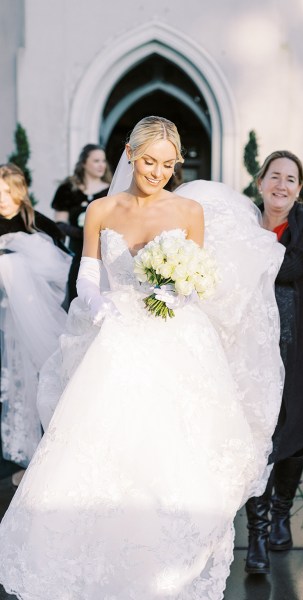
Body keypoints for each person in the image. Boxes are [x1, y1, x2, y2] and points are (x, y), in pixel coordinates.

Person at [0, 117, 285, 599]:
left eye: (167, 165)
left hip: (177, 341)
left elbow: (198, 278)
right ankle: (106, 566)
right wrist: (96, 302)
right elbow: (87, 274)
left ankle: (167, 569)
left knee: (171, 455)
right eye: (149, 161)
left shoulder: (190, 210)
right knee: (104, 456)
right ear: (129, 153)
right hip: (114, 336)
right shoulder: (101, 209)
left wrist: (177, 294)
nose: (156, 172)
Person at [245, 150, 303, 574]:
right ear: (260, 181)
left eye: (291, 179)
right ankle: (258, 536)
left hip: (298, 343)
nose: (282, 185)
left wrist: (249, 259)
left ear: (299, 189)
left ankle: (281, 513)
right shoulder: (242, 221)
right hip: (250, 346)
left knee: (293, 431)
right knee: (253, 437)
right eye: (275, 176)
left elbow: (301, 263)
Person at [0, 164, 71, 486]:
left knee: (42, 380)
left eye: (8, 191)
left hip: (33, 317)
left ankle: (44, 459)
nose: (3, 199)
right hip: (5, 319)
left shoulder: (35, 221)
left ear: (20, 191)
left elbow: (62, 263)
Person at [52, 143, 112, 303]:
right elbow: (59, 223)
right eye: (96, 161)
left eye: (103, 161)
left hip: (103, 253)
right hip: (76, 252)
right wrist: (84, 232)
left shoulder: (111, 191)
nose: (101, 165)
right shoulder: (67, 189)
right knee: (76, 294)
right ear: (84, 163)